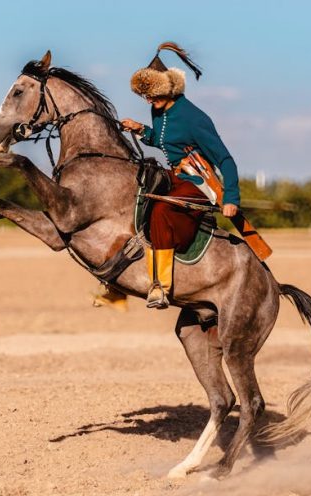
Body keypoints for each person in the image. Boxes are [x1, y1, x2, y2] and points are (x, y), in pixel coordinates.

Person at [120, 42, 241, 309]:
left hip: (199, 183)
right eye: (145, 96)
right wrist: (141, 129)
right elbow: (166, 143)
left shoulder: (193, 117)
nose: (149, 101)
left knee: (162, 210)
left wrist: (231, 197)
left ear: (169, 89)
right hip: (174, 176)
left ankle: (160, 287)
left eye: (153, 95)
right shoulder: (158, 111)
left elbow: (225, 159)